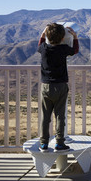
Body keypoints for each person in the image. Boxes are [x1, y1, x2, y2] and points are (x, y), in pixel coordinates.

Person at [37, 23, 79, 152]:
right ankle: (60, 143)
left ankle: (43, 143)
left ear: (48, 37)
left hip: (46, 86)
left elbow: (40, 44)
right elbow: (75, 51)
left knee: (45, 116)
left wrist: (43, 34)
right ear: (62, 38)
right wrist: (75, 37)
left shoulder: (43, 48)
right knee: (60, 116)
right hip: (60, 86)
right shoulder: (64, 49)